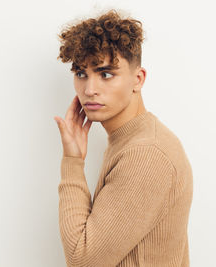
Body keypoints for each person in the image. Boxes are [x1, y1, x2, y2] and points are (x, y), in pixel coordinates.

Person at [54, 8, 193, 267]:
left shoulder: (146, 153)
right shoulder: (130, 141)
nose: (89, 89)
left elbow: (83, 260)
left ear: (138, 79)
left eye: (106, 74)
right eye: (81, 73)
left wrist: (72, 164)